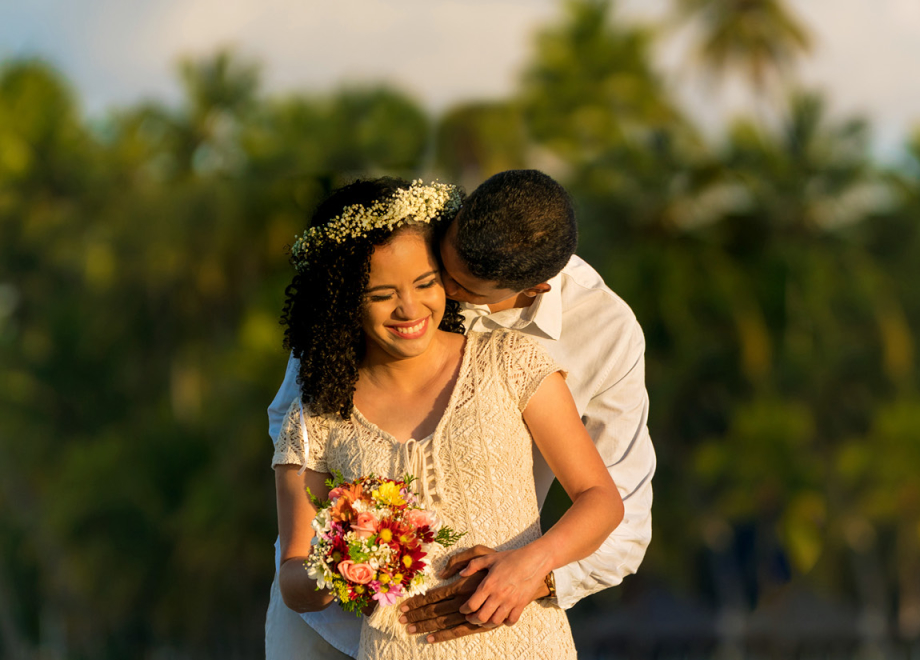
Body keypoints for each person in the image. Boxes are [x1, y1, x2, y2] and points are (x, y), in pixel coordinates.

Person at [266, 170, 656, 656]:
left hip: (503, 621)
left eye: (448, 284)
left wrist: (528, 575)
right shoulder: (396, 257)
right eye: (435, 268)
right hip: (340, 627)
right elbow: (297, 427)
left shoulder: (596, 335)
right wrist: (347, 561)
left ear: (537, 288)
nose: (428, 300)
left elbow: (620, 510)